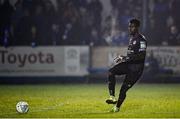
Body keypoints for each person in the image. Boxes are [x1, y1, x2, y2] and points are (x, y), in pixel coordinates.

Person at [106, 18, 147, 112]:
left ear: (137, 27)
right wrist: (123, 57)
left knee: (123, 90)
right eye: (129, 26)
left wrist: (125, 58)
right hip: (129, 65)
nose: (129, 28)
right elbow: (132, 55)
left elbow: (141, 56)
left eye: (131, 27)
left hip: (136, 70)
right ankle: (112, 97)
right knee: (111, 72)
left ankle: (116, 108)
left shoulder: (141, 40)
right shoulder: (132, 38)